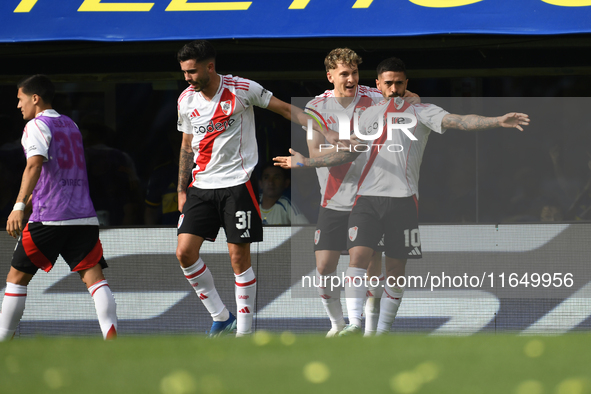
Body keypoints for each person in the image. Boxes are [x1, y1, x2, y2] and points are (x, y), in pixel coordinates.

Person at [275, 57, 529, 336]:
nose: (394, 88)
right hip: (366, 199)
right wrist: (306, 163)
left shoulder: (422, 111)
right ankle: (354, 325)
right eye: (388, 83)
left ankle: (383, 330)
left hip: (404, 200)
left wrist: (496, 121)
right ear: (378, 85)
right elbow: (347, 153)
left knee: (395, 270)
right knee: (357, 258)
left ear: (406, 84)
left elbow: (459, 121)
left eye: (398, 83)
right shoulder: (365, 116)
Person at [175, 40, 334, 337]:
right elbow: (186, 146)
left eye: (192, 71)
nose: (187, 77)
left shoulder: (241, 89)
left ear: (210, 66)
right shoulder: (186, 100)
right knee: (184, 253)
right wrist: (182, 189)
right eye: (184, 72)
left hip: (236, 185)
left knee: (239, 258)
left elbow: (286, 110)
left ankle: (244, 333)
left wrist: (325, 130)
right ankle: (222, 317)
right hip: (200, 186)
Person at [303, 48, 420, 337]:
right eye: (344, 73)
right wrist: (349, 147)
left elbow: (413, 100)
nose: (351, 78)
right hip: (333, 197)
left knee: (370, 266)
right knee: (324, 266)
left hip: (369, 195)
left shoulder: (374, 95)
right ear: (330, 76)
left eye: (354, 72)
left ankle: (365, 329)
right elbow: (314, 152)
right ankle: (337, 324)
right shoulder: (314, 108)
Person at [0, 75, 117, 341]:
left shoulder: (36, 126)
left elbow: (34, 166)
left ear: (35, 98)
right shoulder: (71, 125)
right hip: (83, 216)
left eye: (20, 99)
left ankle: (3, 343)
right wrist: (30, 204)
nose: (18, 106)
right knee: (96, 280)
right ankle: (113, 342)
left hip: (50, 217)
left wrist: (19, 206)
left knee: (16, 278)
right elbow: (53, 174)